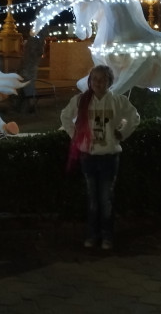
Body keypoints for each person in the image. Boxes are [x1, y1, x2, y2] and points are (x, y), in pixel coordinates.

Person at [61, 64, 140, 250]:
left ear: (109, 82)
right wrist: (76, 135)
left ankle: (107, 236)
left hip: (109, 157)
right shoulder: (81, 101)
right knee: (92, 199)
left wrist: (122, 133)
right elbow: (65, 116)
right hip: (88, 156)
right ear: (90, 81)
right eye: (94, 79)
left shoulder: (118, 101)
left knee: (106, 199)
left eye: (102, 79)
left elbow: (134, 117)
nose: (98, 83)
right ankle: (92, 235)